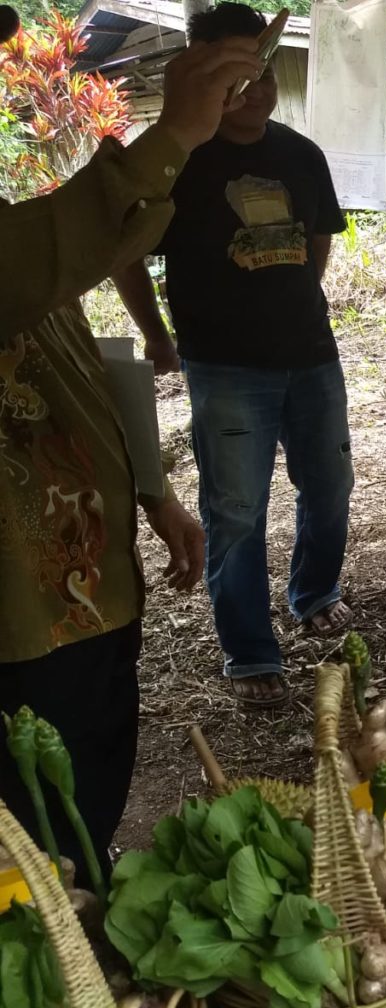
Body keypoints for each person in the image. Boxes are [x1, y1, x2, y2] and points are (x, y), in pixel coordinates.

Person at [1, 15, 260, 879]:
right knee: (40, 827)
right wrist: (175, 135)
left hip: (87, 581)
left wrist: (150, 488)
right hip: (23, 611)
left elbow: (73, 344)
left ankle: (87, 897)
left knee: (91, 781)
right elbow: (50, 257)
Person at [112, 3, 354, 708]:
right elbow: (127, 258)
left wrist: (297, 300)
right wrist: (156, 336)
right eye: (235, 76)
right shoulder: (176, 160)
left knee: (330, 488)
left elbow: (318, 236)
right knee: (237, 511)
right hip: (224, 370)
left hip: (312, 357)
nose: (256, 92)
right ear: (200, 75)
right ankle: (250, 655)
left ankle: (313, 593)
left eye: (264, 73)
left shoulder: (300, 154)